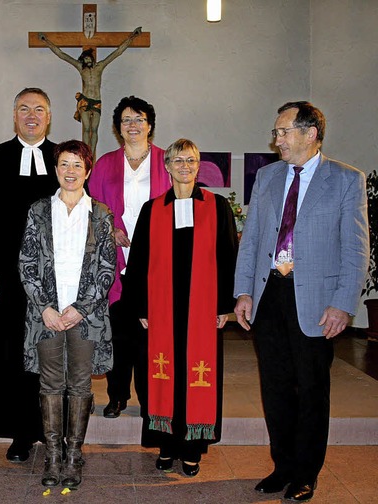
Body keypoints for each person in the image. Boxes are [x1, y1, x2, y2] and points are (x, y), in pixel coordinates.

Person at [234, 101, 369, 502]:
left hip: (317, 301)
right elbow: (253, 239)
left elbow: (355, 249)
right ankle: (283, 466)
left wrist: (343, 304)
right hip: (270, 294)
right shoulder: (267, 176)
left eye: (283, 131)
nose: (276, 140)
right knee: (274, 387)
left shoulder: (346, 180)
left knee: (311, 390)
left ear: (310, 133)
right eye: (276, 132)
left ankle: (307, 472)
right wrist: (244, 291)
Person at [124, 138, 238, 477]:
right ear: (167, 166)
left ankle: (192, 449)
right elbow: (139, 260)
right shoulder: (152, 208)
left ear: (198, 165)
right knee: (163, 377)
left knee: (196, 377)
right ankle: (166, 445)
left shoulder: (217, 207)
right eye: (177, 160)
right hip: (163, 308)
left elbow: (228, 256)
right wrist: (141, 306)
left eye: (190, 160)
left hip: (202, 310)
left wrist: (224, 305)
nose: (184, 166)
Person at [19, 140, 115, 488]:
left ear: (87, 170)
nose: (71, 171)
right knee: (50, 383)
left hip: (85, 318)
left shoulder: (101, 214)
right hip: (45, 315)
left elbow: (107, 269)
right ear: (55, 169)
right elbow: (26, 264)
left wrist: (81, 308)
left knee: (79, 383)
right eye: (64, 164)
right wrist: (44, 307)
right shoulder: (39, 210)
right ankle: (53, 454)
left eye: (77, 165)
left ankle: (74, 456)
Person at [0, 88, 59, 462]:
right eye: (24, 109)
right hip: (7, 275)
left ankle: (51, 428)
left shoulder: (61, 157)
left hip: (53, 275)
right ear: (14, 115)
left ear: (49, 116)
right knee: (11, 352)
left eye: (39, 109)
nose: (31, 115)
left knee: (50, 353)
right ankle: (20, 432)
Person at [87, 96, 171, 427]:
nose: (132, 125)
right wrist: (111, 229)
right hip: (116, 262)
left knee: (152, 339)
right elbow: (90, 206)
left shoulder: (166, 161)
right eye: (125, 120)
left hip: (157, 264)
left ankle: (152, 400)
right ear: (117, 127)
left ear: (150, 125)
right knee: (119, 336)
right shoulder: (106, 163)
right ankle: (117, 395)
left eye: (139, 119)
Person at [38, 28, 142, 156]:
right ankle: (86, 153)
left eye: (88, 59)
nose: (87, 61)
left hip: (97, 101)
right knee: (86, 129)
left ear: (91, 58)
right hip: (85, 101)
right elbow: (62, 54)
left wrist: (132, 36)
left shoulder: (100, 66)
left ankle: (91, 155)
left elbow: (117, 52)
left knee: (94, 129)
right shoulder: (81, 68)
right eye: (85, 60)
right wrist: (46, 41)